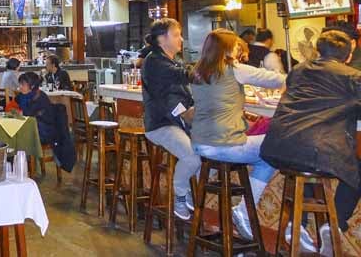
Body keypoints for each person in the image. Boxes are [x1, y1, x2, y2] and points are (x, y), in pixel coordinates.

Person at [261, 30, 361, 256]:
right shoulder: (352, 76)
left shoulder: (297, 70)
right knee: (354, 167)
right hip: (317, 152)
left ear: (318, 50)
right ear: (348, 55)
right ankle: (335, 222)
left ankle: (298, 224)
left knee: (305, 160)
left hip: (276, 147)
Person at [190, 29, 285, 240]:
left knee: (265, 148)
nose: (237, 50)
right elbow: (275, 79)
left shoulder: (198, 70)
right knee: (274, 147)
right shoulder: (235, 69)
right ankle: (242, 209)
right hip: (224, 144)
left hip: (199, 143)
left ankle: (194, 195)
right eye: (234, 46)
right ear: (227, 49)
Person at [141, 18, 200, 221]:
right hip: (161, 124)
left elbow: (183, 88)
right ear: (161, 38)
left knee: (208, 154)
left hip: (177, 123)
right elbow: (180, 79)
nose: (181, 39)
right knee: (193, 157)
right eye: (176, 35)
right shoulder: (155, 61)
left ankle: (198, 200)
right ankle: (181, 198)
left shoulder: (172, 60)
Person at [16, 71, 76, 171]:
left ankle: (24, 167)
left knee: (20, 137)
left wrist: (22, 114)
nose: (20, 87)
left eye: (23, 84)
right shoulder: (22, 97)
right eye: (20, 84)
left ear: (32, 86)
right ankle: (21, 166)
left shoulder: (40, 98)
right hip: (33, 128)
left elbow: (33, 116)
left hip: (45, 132)